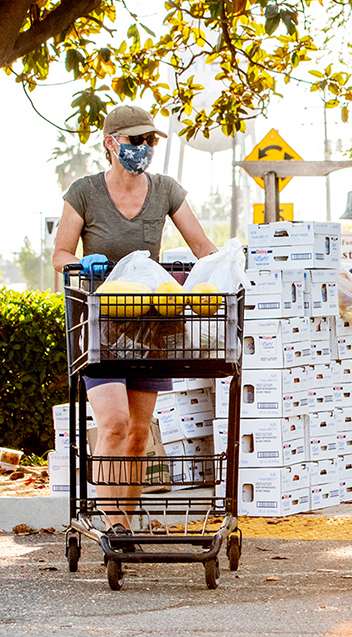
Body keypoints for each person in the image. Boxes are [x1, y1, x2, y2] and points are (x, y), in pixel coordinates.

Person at [52, 104, 217, 536]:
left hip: (152, 327)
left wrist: (230, 269)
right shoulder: (84, 193)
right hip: (101, 327)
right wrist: (81, 263)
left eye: (149, 141)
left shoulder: (165, 190)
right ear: (111, 143)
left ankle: (126, 521)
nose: (143, 148)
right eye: (135, 141)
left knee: (140, 434)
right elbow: (60, 255)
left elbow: (204, 248)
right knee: (114, 424)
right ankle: (117, 526)